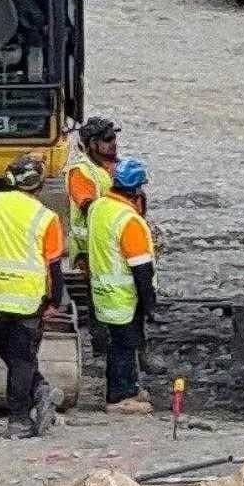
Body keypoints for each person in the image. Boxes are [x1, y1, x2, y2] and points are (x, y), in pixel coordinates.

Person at [0, 158, 65, 439]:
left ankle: (22, 413)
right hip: (26, 298)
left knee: (9, 352)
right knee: (19, 357)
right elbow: (54, 265)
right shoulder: (46, 218)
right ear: (39, 184)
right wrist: (54, 302)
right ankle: (33, 401)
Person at [85, 157, 159, 415]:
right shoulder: (129, 220)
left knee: (119, 343)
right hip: (124, 295)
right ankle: (119, 396)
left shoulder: (98, 207)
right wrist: (150, 303)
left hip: (101, 291)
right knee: (125, 345)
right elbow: (141, 268)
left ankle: (128, 388)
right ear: (137, 190)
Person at [67, 113, 121, 230]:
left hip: (110, 236)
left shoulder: (114, 165)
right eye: (107, 139)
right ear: (92, 143)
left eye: (114, 138)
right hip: (87, 244)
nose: (113, 143)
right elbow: (90, 209)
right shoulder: (80, 171)